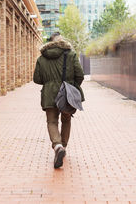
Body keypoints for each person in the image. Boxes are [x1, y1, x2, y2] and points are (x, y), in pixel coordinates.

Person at [33, 32, 85, 168]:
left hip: (49, 94)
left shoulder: (41, 58)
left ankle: (57, 146)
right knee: (66, 120)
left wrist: (50, 82)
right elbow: (80, 75)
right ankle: (64, 146)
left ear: (49, 42)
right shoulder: (71, 54)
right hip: (67, 93)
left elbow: (37, 79)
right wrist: (72, 87)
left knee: (51, 121)